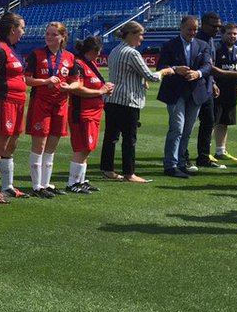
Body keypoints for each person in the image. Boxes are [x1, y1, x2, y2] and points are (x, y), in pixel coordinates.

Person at [101, 21, 175, 183]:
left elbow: (126, 73)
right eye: (140, 35)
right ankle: (130, 173)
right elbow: (152, 76)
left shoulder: (115, 50)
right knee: (129, 139)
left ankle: (107, 169)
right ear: (132, 34)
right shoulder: (132, 53)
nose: (142, 38)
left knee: (111, 137)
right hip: (128, 101)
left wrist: (141, 80)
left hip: (112, 98)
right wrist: (166, 71)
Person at [157, 16, 213, 179]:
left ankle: (181, 162)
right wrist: (175, 69)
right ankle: (170, 164)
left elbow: (208, 66)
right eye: (190, 29)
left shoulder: (202, 45)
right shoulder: (169, 45)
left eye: (195, 29)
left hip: (195, 91)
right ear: (181, 28)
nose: (193, 32)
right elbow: (161, 66)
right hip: (175, 91)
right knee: (177, 128)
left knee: (187, 129)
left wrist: (198, 73)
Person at [24, 22, 75, 197]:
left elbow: (76, 81)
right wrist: (45, 81)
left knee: (52, 146)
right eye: (47, 34)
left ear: (62, 37)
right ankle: (36, 186)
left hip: (61, 104)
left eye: (54, 34)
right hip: (41, 103)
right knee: (40, 145)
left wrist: (68, 87)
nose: (49, 37)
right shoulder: (36, 55)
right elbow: (27, 80)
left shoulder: (69, 57)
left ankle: (46, 183)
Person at [0, 12, 30, 201]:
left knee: (11, 145)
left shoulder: (13, 49)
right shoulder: (0, 50)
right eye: (22, 28)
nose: (24, 32)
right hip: (4, 101)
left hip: (18, 101)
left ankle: (7, 186)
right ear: (13, 29)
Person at [64, 36, 115, 193]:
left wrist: (104, 88)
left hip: (93, 111)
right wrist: (100, 91)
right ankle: (73, 183)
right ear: (95, 50)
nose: (100, 54)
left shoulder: (90, 63)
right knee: (82, 147)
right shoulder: (78, 64)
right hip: (82, 111)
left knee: (87, 147)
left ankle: (81, 180)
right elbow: (77, 88)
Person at [211, 22, 237, 162]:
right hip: (215, 92)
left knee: (224, 122)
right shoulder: (215, 49)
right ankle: (205, 151)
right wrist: (213, 84)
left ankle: (220, 151)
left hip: (231, 93)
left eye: (235, 33)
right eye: (229, 33)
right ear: (222, 34)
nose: (232, 36)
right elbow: (209, 69)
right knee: (212, 122)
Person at [193, 11, 226, 169]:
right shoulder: (197, 40)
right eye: (214, 26)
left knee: (208, 121)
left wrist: (212, 83)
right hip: (194, 87)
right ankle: (182, 157)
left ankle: (204, 157)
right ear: (204, 24)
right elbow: (204, 66)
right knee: (187, 124)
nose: (217, 29)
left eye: (219, 26)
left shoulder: (211, 40)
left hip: (206, 87)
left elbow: (209, 67)